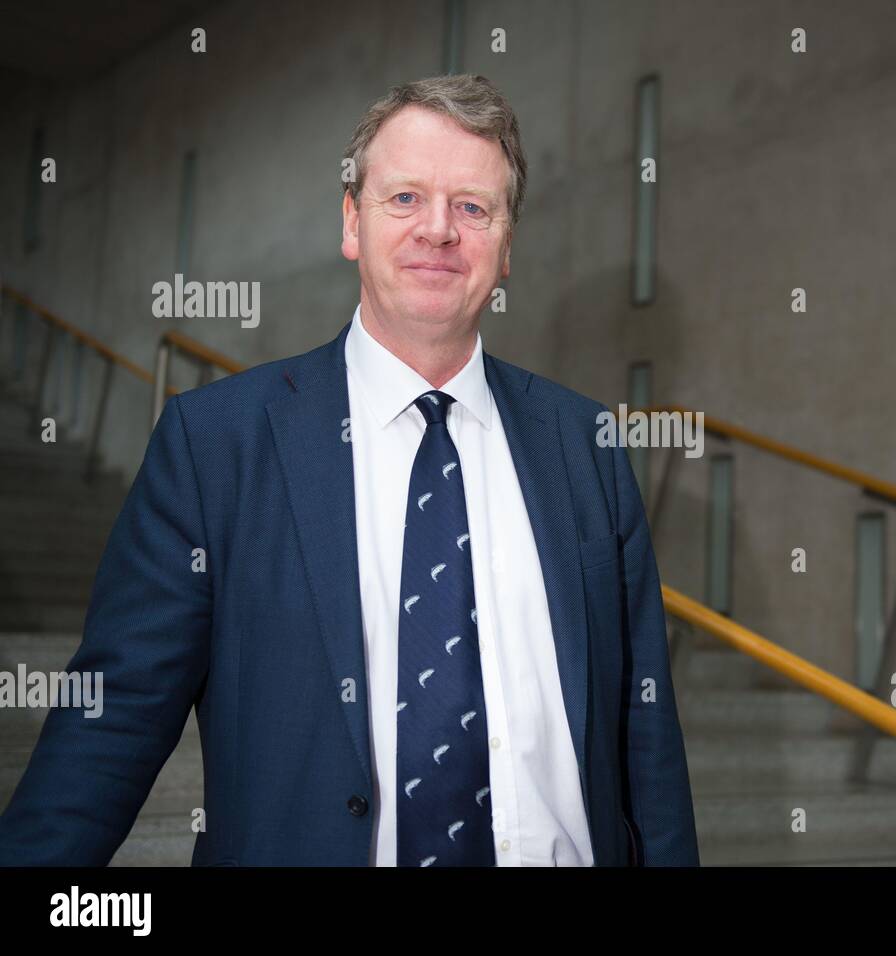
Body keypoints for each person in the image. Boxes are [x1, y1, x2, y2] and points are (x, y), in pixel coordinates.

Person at [0, 74, 699, 867]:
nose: (439, 230)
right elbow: (113, 716)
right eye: (404, 198)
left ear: (506, 246)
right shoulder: (217, 443)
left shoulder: (587, 446)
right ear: (351, 223)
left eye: (473, 207)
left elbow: (647, 744)